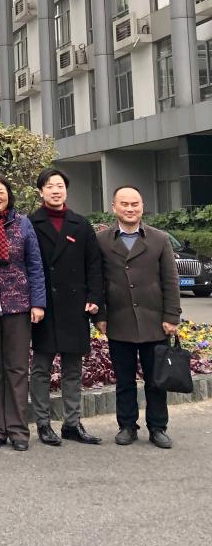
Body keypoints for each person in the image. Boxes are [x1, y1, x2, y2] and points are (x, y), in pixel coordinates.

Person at [96, 185, 181, 449]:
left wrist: (172, 315)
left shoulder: (159, 239)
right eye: (124, 204)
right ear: (114, 208)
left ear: (142, 206)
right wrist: (100, 315)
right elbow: (97, 281)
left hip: (154, 321)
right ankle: (127, 426)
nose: (130, 209)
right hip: (118, 320)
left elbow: (170, 280)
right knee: (124, 380)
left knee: (156, 381)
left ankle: (158, 427)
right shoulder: (101, 240)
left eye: (135, 204)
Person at [28, 169, 104, 447]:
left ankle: (72, 423)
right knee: (41, 369)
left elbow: (93, 264)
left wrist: (94, 297)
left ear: (66, 190)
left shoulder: (80, 224)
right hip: (44, 307)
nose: (55, 190)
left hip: (75, 306)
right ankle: (43, 423)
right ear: (41, 191)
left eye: (60, 185)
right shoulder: (30, 223)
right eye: (50, 186)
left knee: (73, 368)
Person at [0, 173, 46, 452]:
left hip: (19, 307)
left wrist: (38, 303)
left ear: (8, 194)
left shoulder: (22, 224)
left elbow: (35, 265)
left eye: (1, 191)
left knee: (17, 369)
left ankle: (18, 430)